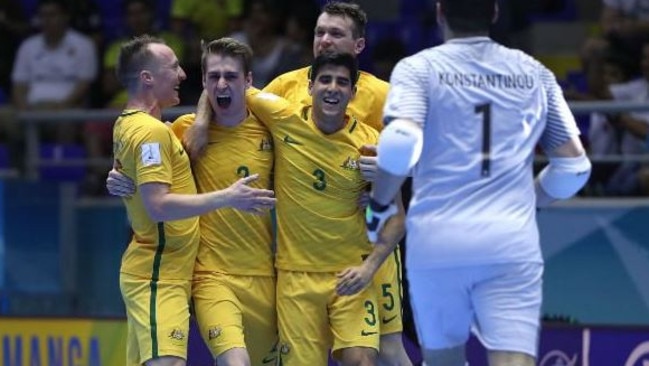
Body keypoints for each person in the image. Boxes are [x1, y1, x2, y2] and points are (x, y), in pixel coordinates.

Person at [365, 0, 592, 365]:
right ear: (495, 13)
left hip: (437, 239)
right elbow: (574, 168)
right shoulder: (535, 73)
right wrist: (528, 200)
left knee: (444, 360)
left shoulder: (418, 69)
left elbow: (400, 141)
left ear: (440, 12)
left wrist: (378, 206)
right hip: (509, 240)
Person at [260, 3, 413, 364]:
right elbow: (234, 99)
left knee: (388, 349)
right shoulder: (284, 86)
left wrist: (392, 172)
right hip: (307, 250)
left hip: (369, 244)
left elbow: (415, 153)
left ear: (358, 46)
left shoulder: (382, 94)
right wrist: (201, 122)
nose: (325, 40)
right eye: (320, 32)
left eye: (336, 33)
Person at [112, 34, 275, 366]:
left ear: (248, 81)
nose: (181, 75)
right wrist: (229, 197)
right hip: (187, 272)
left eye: (230, 76)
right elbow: (154, 193)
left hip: (258, 274)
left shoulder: (270, 130)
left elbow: (140, 156)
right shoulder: (174, 130)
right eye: (212, 76)